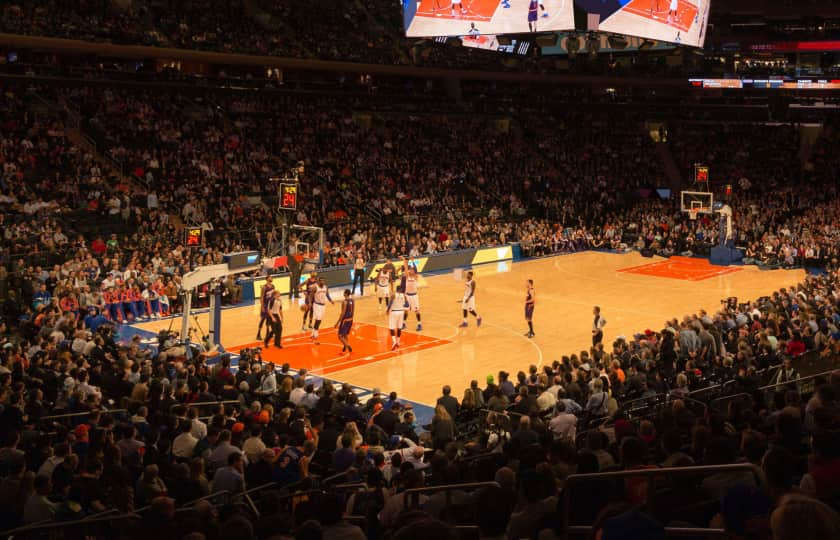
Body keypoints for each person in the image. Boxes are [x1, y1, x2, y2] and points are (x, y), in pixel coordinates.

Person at [310, 277, 334, 343]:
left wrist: (331, 300)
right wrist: (309, 303)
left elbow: (327, 295)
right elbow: (311, 295)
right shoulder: (315, 287)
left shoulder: (326, 287)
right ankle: (315, 334)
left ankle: (313, 333)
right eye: (321, 281)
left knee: (319, 320)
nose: (322, 282)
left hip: (323, 305)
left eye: (323, 280)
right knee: (318, 319)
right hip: (317, 305)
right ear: (319, 281)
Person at [334, 289, 355, 353]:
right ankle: (345, 346)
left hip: (345, 320)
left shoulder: (344, 302)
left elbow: (343, 313)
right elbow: (353, 311)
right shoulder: (352, 300)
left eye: (344, 293)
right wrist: (351, 318)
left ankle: (347, 345)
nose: (343, 294)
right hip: (350, 319)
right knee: (345, 335)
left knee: (340, 336)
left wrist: (337, 323)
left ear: (345, 294)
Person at [387, 285, 407, 350]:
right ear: (401, 290)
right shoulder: (404, 295)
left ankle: (394, 341)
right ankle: (398, 341)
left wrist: (387, 310)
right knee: (399, 328)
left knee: (391, 328)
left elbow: (390, 303)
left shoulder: (393, 295)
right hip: (401, 312)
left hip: (394, 312)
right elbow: (407, 304)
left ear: (396, 289)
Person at [403, 266, 422, 331]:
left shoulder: (416, 277)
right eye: (410, 270)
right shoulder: (407, 276)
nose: (410, 271)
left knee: (416, 311)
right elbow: (406, 270)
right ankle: (403, 324)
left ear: (414, 271)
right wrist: (404, 260)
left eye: (412, 270)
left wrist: (412, 262)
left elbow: (416, 273)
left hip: (414, 296)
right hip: (407, 296)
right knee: (405, 311)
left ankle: (419, 324)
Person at [256, 276, 274, 341]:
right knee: (262, 320)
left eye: (272, 278)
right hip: (265, 305)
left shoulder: (273, 286)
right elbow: (261, 297)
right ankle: (258, 334)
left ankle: (267, 334)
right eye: (270, 278)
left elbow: (273, 296)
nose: (272, 278)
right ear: (267, 279)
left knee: (269, 320)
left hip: (270, 306)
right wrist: (262, 306)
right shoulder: (264, 287)